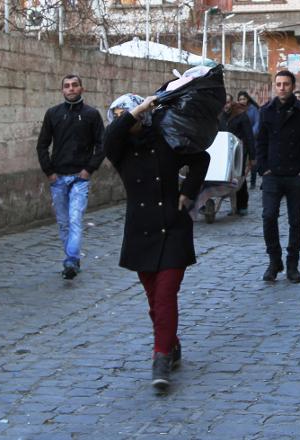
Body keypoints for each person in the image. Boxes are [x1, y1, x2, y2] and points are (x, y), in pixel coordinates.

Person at [103, 94, 210, 391]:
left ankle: (160, 358)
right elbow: (108, 138)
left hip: (173, 226)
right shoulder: (119, 150)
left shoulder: (167, 139)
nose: (129, 120)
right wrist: (136, 110)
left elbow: (202, 158)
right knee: (154, 302)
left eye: (134, 114)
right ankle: (172, 344)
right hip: (141, 232)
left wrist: (188, 190)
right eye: (123, 116)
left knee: (164, 297)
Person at [36, 75, 105, 279]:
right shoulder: (53, 114)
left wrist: (89, 169)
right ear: (62, 90)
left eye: (75, 85)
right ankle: (71, 258)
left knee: (75, 219)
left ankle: (71, 260)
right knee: (63, 222)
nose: (71, 89)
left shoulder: (91, 114)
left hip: (80, 178)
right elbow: (42, 145)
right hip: (58, 178)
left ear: (81, 88)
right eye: (67, 86)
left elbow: (102, 144)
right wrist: (49, 172)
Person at [256, 70, 300, 283]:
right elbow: (260, 142)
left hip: (295, 174)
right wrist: (263, 168)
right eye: (279, 84)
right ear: (275, 86)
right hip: (272, 174)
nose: (282, 88)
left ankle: (293, 264)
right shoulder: (266, 111)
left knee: (296, 221)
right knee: (268, 217)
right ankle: (274, 261)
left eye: (286, 84)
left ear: (292, 86)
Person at [218, 94, 255, 215]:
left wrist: (252, 156)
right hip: (223, 151)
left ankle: (242, 205)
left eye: (228, 102)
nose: (226, 105)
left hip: (239, 152)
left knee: (240, 177)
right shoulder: (220, 116)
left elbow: (249, 136)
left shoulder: (241, 115)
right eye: (224, 103)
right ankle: (231, 204)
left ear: (232, 102)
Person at [237, 91, 260, 189]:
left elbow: (257, 123)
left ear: (248, 99)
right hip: (240, 140)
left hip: (252, 139)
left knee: (253, 160)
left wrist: (250, 134)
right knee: (240, 161)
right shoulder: (236, 110)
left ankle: (253, 182)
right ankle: (241, 181)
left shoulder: (253, 109)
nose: (242, 101)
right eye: (240, 99)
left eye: (244, 99)